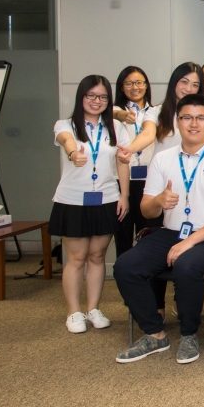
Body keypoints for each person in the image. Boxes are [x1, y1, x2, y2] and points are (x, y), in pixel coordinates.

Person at [114, 94, 204, 365]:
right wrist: (159, 202)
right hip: (171, 231)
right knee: (125, 266)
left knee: (186, 265)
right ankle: (155, 333)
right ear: (178, 121)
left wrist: (190, 242)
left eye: (201, 118)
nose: (193, 124)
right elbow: (147, 209)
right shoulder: (163, 158)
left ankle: (188, 333)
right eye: (187, 118)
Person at [51, 75, 129, 333]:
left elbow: (122, 162)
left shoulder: (114, 128)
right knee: (76, 257)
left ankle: (93, 308)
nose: (97, 101)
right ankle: (74, 312)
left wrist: (124, 196)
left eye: (103, 97)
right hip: (73, 200)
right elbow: (66, 141)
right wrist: (74, 153)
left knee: (97, 256)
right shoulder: (66, 124)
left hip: (106, 198)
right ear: (81, 97)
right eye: (91, 96)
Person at [113, 66, 157, 256]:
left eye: (139, 82)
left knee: (148, 235)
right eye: (129, 83)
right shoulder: (113, 112)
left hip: (150, 183)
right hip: (121, 182)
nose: (135, 87)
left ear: (146, 86)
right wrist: (122, 115)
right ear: (121, 87)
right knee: (122, 236)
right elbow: (113, 113)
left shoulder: (155, 112)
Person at [122, 62, 204, 156]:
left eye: (195, 85)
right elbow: (147, 134)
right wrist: (129, 149)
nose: (189, 89)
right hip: (162, 169)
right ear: (174, 82)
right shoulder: (156, 112)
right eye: (184, 82)